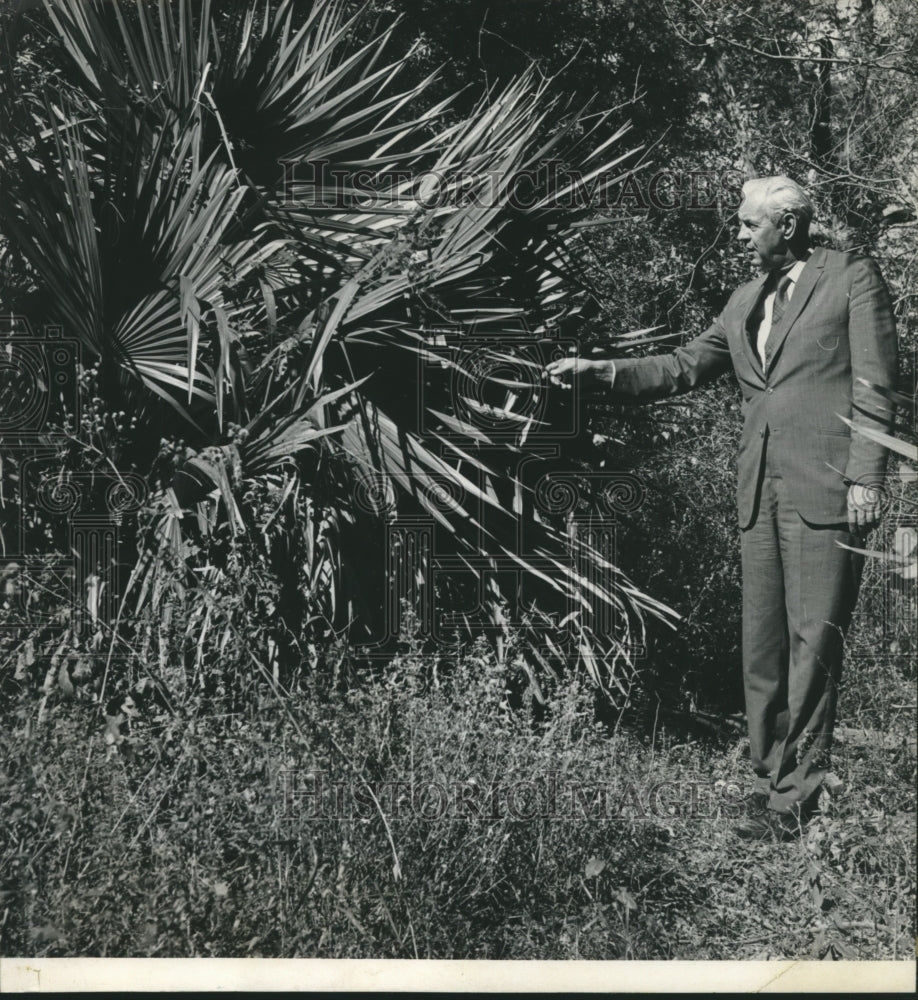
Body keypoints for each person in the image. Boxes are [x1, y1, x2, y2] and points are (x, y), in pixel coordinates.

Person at [544, 175, 898, 840]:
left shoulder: (851, 277)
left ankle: (797, 799)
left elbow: (876, 382)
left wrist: (866, 477)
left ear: (786, 225)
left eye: (747, 225)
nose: (738, 237)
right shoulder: (742, 302)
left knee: (812, 642)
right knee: (762, 643)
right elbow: (681, 366)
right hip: (758, 490)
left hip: (826, 488)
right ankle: (772, 779)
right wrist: (601, 373)